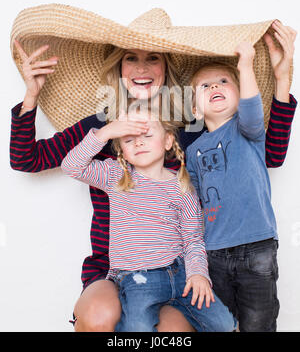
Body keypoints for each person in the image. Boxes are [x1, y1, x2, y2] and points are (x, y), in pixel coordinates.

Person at [10, 20, 297, 332]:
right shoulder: (103, 126)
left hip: (179, 269)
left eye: (152, 58)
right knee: (98, 317)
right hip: (115, 267)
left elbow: (267, 156)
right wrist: (31, 97)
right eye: (130, 58)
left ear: (166, 67)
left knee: (176, 331)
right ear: (118, 68)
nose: (141, 68)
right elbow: (27, 159)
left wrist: (282, 83)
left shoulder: (192, 128)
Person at [60, 103, 236, 332]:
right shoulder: (116, 176)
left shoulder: (182, 187)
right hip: (136, 278)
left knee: (225, 323)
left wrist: (198, 273)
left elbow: (192, 239)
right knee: (138, 329)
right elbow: (71, 166)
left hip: (180, 272)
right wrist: (106, 132)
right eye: (128, 139)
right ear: (121, 150)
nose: (138, 142)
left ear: (167, 141)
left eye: (147, 134)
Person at [185, 37, 297, 332]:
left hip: (257, 246)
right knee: (221, 324)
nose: (214, 87)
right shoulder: (192, 151)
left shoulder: (248, 130)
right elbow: (195, 201)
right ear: (195, 111)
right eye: (205, 86)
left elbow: (251, 105)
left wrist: (245, 66)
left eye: (224, 81)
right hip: (215, 251)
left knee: (259, 322)